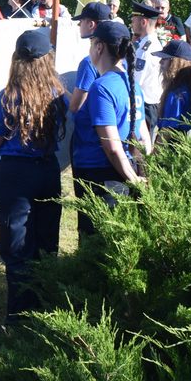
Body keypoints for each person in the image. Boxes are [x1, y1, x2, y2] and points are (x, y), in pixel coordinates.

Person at [0, 28, 67, 323]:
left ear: (17, 59)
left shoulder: (9, 96)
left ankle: (19, 319)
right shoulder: (57, 93)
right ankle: (44, 311)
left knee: (16, 245)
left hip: (16, 175)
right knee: (45, 241)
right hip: (48, 171)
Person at [71, 20, 148, 236]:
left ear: (99, 47)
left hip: (101, 176)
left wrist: (133, 180)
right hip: (124, 169)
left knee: (95, 242)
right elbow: (142, 135)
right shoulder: (131, 83)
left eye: (91, 42)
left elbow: (112, 147)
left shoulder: (102, 87)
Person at [153, 40, 191, 140]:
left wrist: (154, 153)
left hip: (170, 144)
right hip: (181, 140)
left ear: (176, 62)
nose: (160, 62)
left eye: (165, 58)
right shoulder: (187, 86)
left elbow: (168, 130)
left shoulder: (176, 93)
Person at [68, 1, 112, 114]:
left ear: (91, 25)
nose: (79, 25)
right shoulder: (118, 57)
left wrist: (59, 88)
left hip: (88, 129)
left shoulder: (89, 62)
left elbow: (75, 107)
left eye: (81, 21)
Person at [130, 1, 163, 140]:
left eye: (133, 20)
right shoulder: (148, 43)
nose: (131, 23)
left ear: (143, 22)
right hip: (148, 103)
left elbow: (136, 81)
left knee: (140, 146)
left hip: (145, 104)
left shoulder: (146, 49)